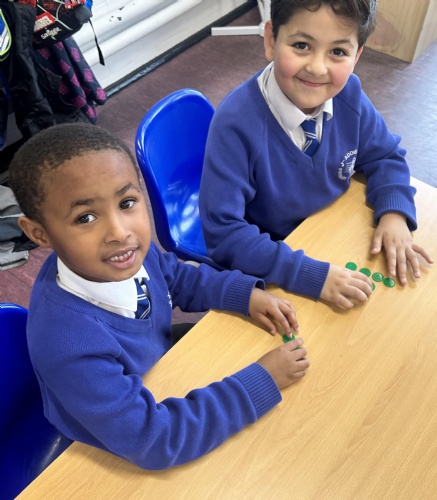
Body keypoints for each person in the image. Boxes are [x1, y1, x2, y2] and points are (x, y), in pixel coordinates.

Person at [8, 122, 310, 470]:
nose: (119, 231)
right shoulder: (68, 344)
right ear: (38, 233)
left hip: (157, 374)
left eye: (127, 202)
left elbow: (176, 279)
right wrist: (261, 382)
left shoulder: (127, 254)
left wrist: (243, 295)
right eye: (86, 217)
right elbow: (153, 441)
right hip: (110, 444)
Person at [199, 0, 433, 310]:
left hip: (332, 234)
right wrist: (308, 274)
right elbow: (224, 233)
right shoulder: (235, 124)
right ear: (270, 40)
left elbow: (385, 156)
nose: (318, 68)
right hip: (272, 261)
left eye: (338, 51)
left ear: (357, 56)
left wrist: (394, 214)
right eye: (301, 45)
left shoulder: (349, 94)